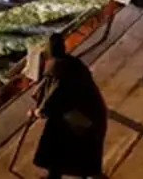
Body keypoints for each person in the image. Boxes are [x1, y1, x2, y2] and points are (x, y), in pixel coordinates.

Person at [31, 32, 108, 179]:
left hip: (84, 119)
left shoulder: (57, 68)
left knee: (55, 134)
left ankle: (55, 175)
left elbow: (52, 101)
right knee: (69, 138)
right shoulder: (72, 63)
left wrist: (38, 112)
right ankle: (59, 174)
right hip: (93, 113)